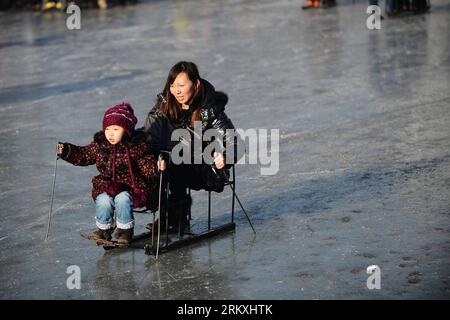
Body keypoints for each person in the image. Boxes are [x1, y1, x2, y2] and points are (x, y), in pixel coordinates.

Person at [142, 61, 243, 235]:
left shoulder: (210, 109)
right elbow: (149, 136)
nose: (177, 91)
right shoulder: (165, 104)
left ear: (195, 84)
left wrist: (225, 158)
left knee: (179, 159)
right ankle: (168, 216)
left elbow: (236, 143)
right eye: (173, 86)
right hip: (169, 162)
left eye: (182, 85)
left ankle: (173, 216)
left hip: (203, 168)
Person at [57, 103, 159, 245]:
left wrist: (157, 167)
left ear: (127, 130)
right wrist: (67, 151)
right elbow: (84, 154)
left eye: (116, 129)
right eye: (108, 129)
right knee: (103, 200)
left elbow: (146, 164)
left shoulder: (136, 146)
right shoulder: (100, 145)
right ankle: (103, 229)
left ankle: (125, 231)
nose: (110, 133)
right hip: (107, 185)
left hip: (131, 186)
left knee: (122, 198)